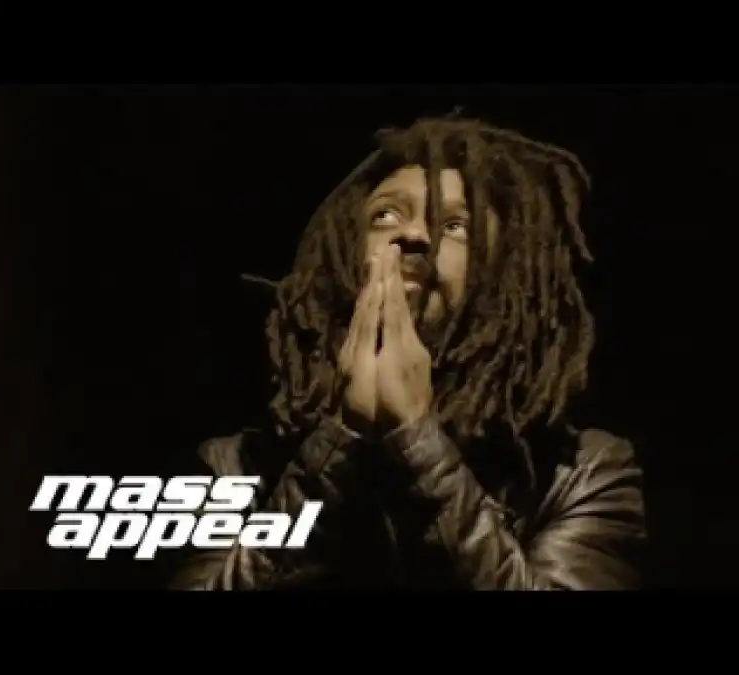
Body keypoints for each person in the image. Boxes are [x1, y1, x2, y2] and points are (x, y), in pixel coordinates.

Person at [170, 115, 646, 590]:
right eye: (385, 216)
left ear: (503, 274)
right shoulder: (235, 466)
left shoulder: (584, 473)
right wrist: (342, 436)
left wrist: (418, 439)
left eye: (455, 225)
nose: (415, 235)